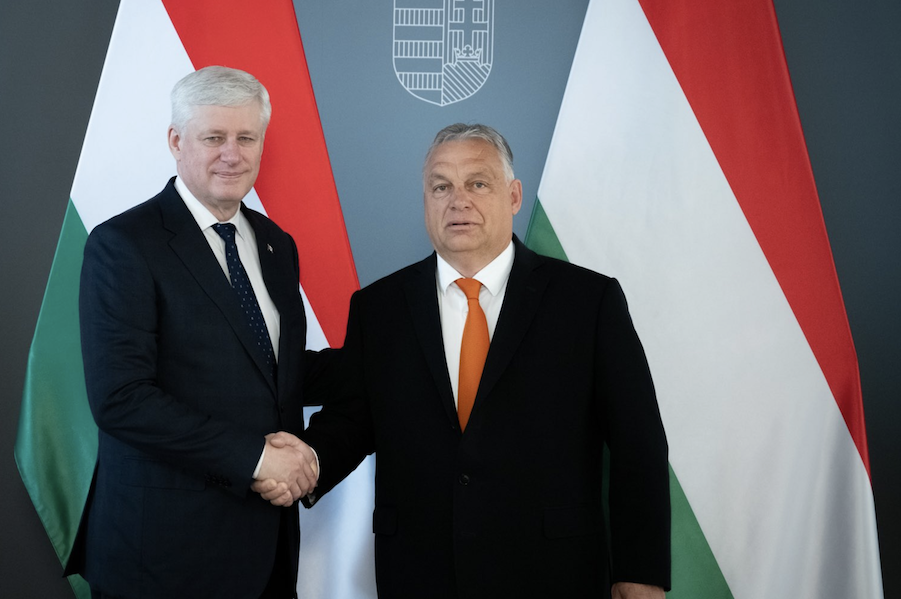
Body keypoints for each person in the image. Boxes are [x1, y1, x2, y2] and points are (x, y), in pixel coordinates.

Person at [258, 123, 670, 598]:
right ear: (426, 201)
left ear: (513, 196)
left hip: (553, 572)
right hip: (419, 571)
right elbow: (355, 417)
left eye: (478, 182)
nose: (459, 200)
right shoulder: (380, 307)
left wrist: (640, 573)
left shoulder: (588, 301)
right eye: (441, 186)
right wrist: (308, 458)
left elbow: (638, 443)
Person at [67, 65, 318, 599]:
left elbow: (274, 368)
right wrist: (256, 457)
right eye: (214, 138)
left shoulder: (277, 244)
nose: (232, 153)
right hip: (163, 556)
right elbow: (121, 398)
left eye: (246, 137)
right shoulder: (124, 244)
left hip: (266, 551)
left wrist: (391, 357)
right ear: (176, 141)